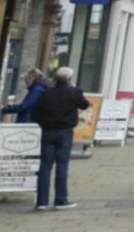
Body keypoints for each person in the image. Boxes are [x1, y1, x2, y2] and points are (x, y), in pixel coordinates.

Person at [29, 67, 89, 211]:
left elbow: (35, 113)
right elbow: (85, 105)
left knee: (45, 166)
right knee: (62, 166)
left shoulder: (46, 93)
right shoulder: (74, 92)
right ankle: (61, 200)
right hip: (65, 131)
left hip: (48, 131)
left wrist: (43, 123)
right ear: (69, 79)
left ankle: (41, 202)